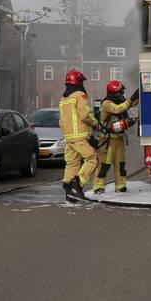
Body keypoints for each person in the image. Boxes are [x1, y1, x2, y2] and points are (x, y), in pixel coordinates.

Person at [91, 80, 139, 194]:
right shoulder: (106, 104)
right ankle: (98, 187)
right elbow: (118, 109)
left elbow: (129, 105)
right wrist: (131, 99)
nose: (121, 95)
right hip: (108, 141)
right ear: (112, 93)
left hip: (119, 139)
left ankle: (120, 186)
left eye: (122, 92)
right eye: (119, 92)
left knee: (120, 164)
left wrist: (138, 95)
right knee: (104, 165)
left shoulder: (120, 101)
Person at [59, 70, 98, 202]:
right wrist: (95, 123)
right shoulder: (80, 95)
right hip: (80, 137)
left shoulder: (63, 99)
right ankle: (78, 185)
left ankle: (69, 190)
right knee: (92, 159)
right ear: (78, 82)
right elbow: (85, 115)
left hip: (69, 138)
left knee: (72, 164)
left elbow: (61, 121)